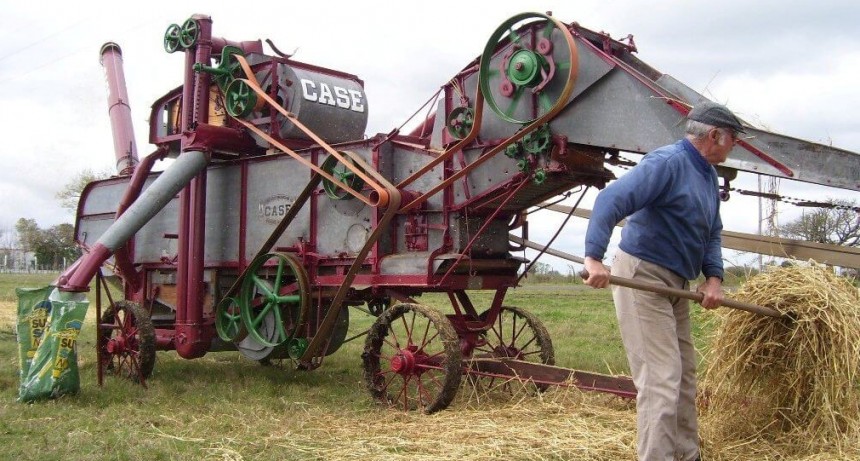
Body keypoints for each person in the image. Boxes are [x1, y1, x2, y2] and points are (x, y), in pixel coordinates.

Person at [582, 101, 744, 461]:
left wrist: (714, 278)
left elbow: (711, 232)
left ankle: (687, 455)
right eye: (733, 138)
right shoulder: (668, 163)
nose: (734, 146)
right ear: (714, 135)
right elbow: (611, 199)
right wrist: (594, 256)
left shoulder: (705, 175)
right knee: (661, 380)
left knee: (684, 379)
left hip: (676, 284)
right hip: (644, 275)